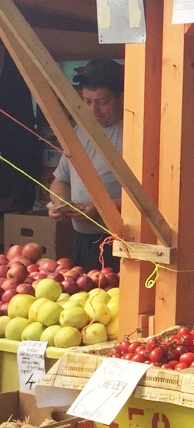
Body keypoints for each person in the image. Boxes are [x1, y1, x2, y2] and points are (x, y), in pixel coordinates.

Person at [49, 58, 124, 271]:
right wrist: (59, 204)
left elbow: (148, 197)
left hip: (118, 242)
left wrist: (101, 209)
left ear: (120, 98)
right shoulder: (79, 132)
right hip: (81, 239)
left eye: (102, 101)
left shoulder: (134, 136)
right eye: (87, 101)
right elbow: (60, 179)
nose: (94, 110)